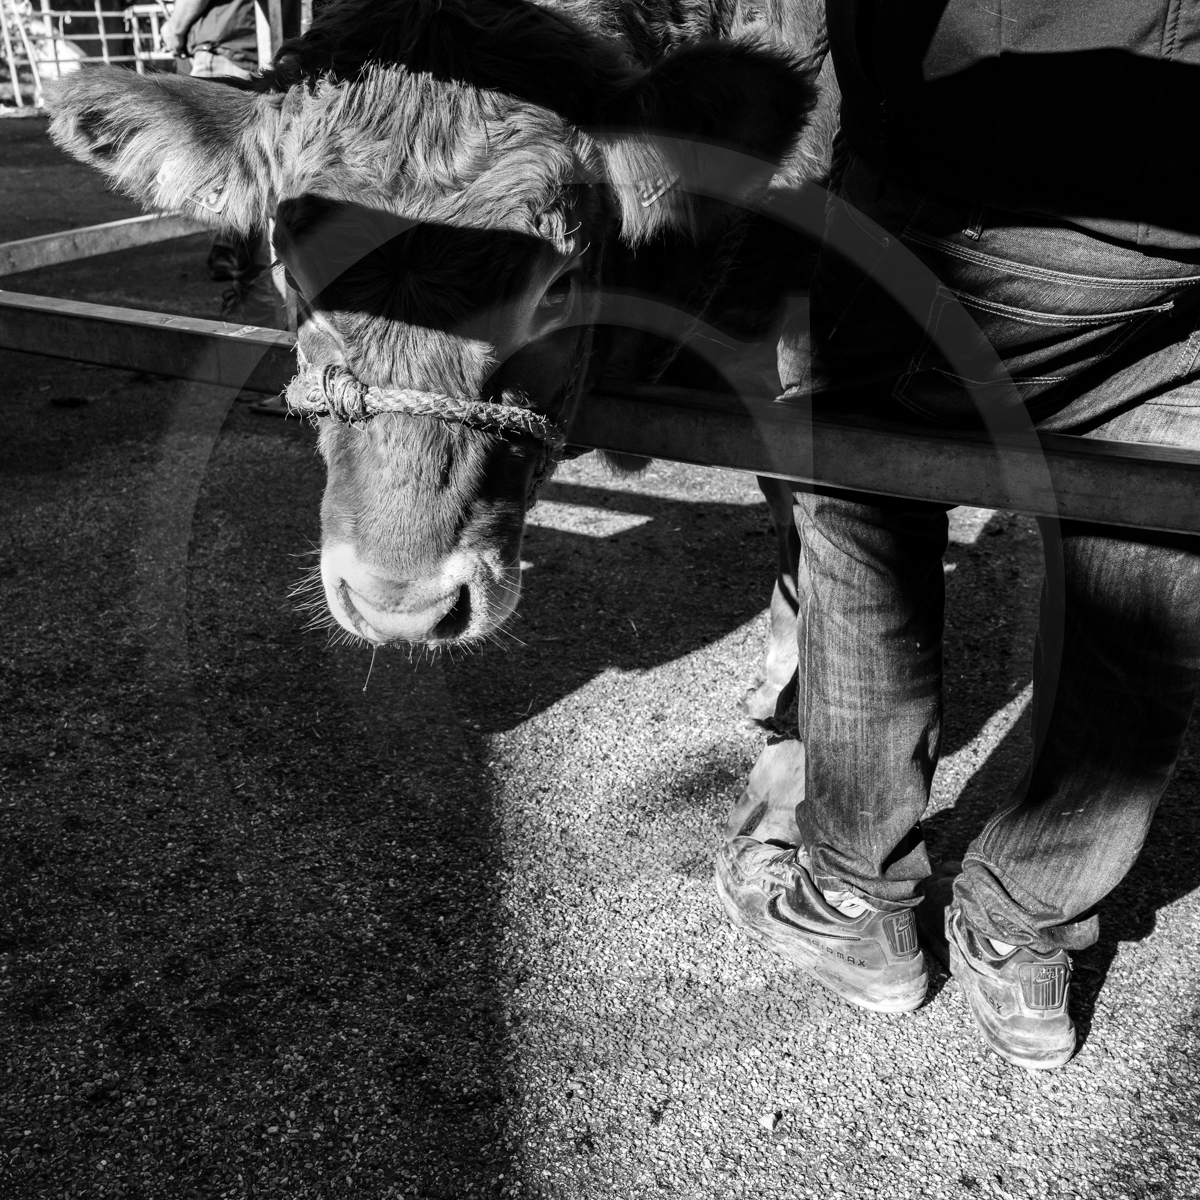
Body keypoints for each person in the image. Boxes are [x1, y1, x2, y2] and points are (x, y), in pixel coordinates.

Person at [717, 1, 1200, 1071]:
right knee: (1155, 563)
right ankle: (1030, 916)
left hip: (992, 162)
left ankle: (854, 893)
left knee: (864, 507)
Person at [160, 0, 287, 345]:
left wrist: (174, 29)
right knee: (264, 206)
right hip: (259, 50)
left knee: (247, 209)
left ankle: (257, 339)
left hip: (228, 51)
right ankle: (263, 335)